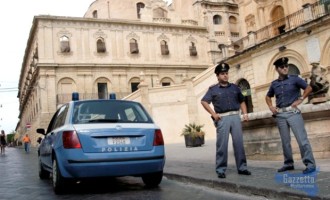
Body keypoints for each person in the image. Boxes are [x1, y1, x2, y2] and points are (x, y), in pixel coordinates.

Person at [265, 57, 316, 174]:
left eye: (286, 66)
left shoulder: (295, 79)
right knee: (285, 141)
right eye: (282, 67)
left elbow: (309, 88)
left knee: (302, 140)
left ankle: (310, 164)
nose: (285, 68)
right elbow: (268, 96)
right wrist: (271, 107)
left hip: (293, 113)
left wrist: (301, 99)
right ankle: (288, 164)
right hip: (280, 115)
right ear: (277, 69)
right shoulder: (274, 84)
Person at [201, 62, 251, 179]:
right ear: (218, 76)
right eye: (222, 74)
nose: (225, 75)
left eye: (226, 73)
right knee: (222, 145)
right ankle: (221, 169)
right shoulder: (213, 89)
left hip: (235, 117)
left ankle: (242, 168)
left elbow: (242, 101)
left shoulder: (235, 87)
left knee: (239, 144)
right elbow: (204, 101)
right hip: (222, 118)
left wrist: (245, 114)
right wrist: (213, 114)